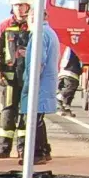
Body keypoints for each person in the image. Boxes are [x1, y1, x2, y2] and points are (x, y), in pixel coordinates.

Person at [0, 0, 34, 158]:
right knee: (8, 112)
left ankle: (23, 149)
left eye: (22, 5)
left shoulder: (33, 26)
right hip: (9, 78)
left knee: (26, 113)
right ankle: (4, 148)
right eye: (17, 5)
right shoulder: (4, 26)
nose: (19, 8)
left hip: (28, 78)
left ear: (28, 6)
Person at [18, 15, 60, 165]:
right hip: (46, 82)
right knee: (38, 118)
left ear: (32, 17)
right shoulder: (49, 32)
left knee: (32, 119)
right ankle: (45, 150)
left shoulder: (39, 34)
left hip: (39, 83)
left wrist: (30, 83)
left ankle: (36, 153)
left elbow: (38, 62)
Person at [58, 46, 83, 116]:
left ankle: (66, 107)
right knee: (71, 87)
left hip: (68, 69)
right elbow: (67, 56)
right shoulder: (72, 47)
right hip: (69, 70)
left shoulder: (70, 47)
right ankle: (60, 97)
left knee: (71, 90)